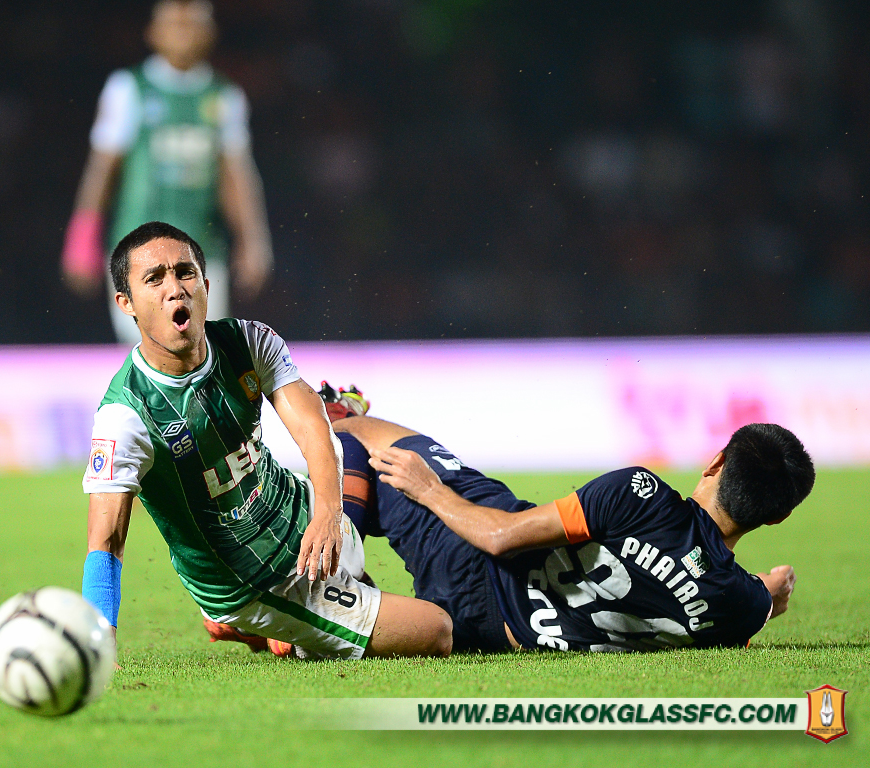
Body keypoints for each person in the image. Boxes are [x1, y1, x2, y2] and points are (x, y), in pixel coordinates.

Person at [79, 222, 451, 661]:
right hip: (254, 580)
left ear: (206, 285)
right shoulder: (125, 416)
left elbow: (314, 430)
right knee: (435, 630)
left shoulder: (249, 342)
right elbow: (106, 543)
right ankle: (267, 625)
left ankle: (281, 631)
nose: (175, 289)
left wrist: (327, 513)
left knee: (349, 447)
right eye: (154, 279)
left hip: (302, 512)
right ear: (126, 303)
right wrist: (96, 641)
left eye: (185, 272)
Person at [323, 406, 814, 653]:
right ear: (777, 517)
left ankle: (327, 579)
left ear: (716, 462)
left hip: (473, 557)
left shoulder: (640, 494)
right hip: (485, 633)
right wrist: (770, 592)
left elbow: (501, 536)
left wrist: (430, 489)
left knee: (358, 435)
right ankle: (331, 601)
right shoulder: (742, 605)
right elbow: (752, 596)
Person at [62, 0, 273, 343]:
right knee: (152, 350)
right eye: (174, 24)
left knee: (201, 349)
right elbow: (102, 169)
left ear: (210, 32)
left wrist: (253, 239)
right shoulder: (128, 88)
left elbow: (236, 175)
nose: (183, 33)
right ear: (153, 33)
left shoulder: (223, 96)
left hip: (201, 250)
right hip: (136, 250)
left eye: (192, 24)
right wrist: (82, 236)